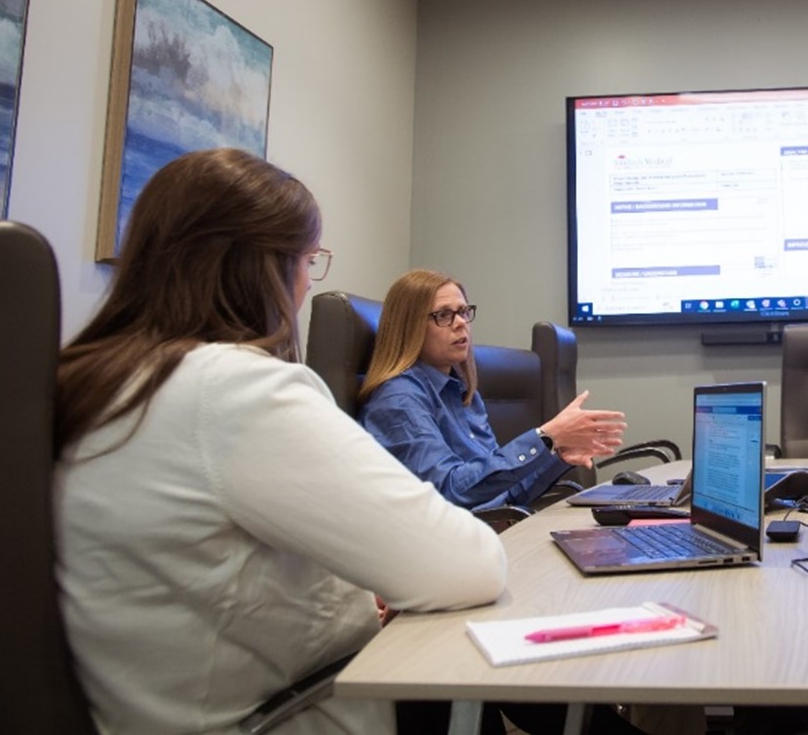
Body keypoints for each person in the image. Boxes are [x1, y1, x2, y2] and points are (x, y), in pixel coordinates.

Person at [54, 148, 507, 735]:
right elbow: (469, 566)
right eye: (307, 260)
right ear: (268, 269)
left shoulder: (89, 382)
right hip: (284, 711)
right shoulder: (237, 388)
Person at [358, 269, 627, 511]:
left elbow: (504, 494)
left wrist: (558, 456)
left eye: (464, 312)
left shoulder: (463, 392)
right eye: (443, 315)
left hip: (495, 530)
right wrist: (545, 436)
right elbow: (449, 492)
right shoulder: (399, 400)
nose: (461, 323)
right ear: (409, 328)